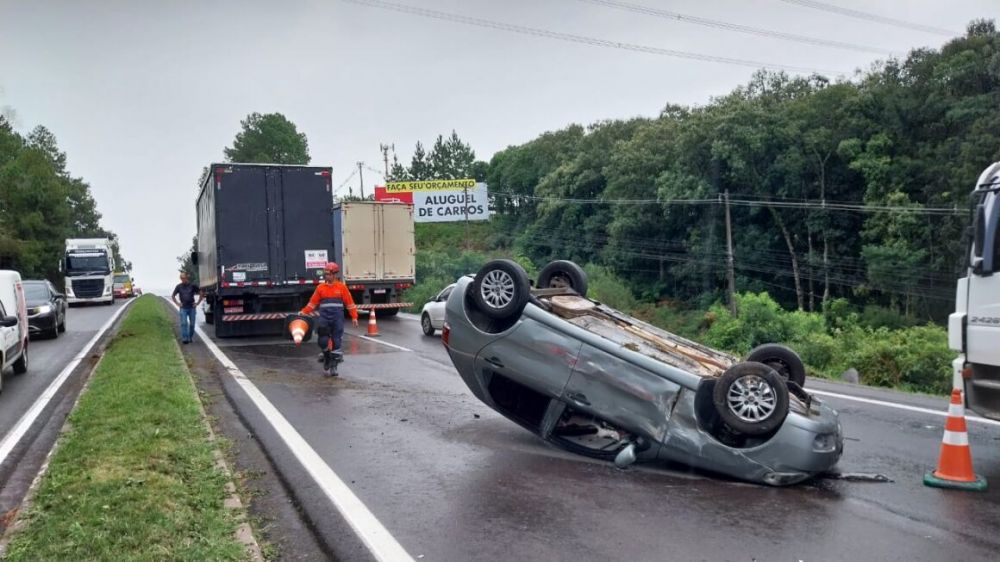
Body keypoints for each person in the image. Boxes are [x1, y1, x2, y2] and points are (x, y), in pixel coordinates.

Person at [300, 262, 359, 376]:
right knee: (322, 340)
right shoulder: (320, 288)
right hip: (324, 318)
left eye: (329, 274)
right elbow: (312, 304)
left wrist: (354, 317)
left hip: (337, 318)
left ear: (335, 274)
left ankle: (334, 366)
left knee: (337, 342)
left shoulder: (342, 287)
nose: (326, 276)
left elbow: (350, 303)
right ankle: (326, 355)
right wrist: (303, 312)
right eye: (325, 274)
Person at [172, 272, 202, 344]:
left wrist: (197, 303)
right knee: (184, 323)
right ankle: (185, 338)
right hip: (183, 308)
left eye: (184, 278)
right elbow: (173, 296)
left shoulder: (192, 285)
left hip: (192, 308)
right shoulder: (178, 286)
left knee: (192, 324)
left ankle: (190, 337)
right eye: (181, 278)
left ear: (187, 278)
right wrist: (177, 303)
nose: (183, 280)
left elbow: (201, 292)